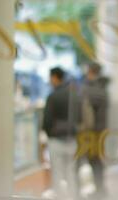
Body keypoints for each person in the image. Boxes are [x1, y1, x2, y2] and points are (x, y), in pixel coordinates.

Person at [42, 67, 79, 199]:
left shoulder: (53, 96)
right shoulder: (74, 94)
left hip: (56, 140)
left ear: (55, 77)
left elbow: (47, 121)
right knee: (71, 173)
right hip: (72, 139)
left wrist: (49, 134)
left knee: (57, 174)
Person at [79, 62, 109, 197]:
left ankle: (99, 191)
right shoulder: (103, 88)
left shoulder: (90, 89)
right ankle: (100, 189)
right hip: (100, 130)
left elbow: (85, 112)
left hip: (92, 132)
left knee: (94, 161)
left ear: (91, 72)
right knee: (97, 161)